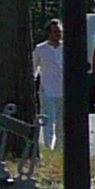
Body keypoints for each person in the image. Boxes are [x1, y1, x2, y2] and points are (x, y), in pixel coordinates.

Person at [32, 19, 71, 157]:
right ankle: (48, 148)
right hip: (47, 89)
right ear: (48, 33)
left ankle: (59, 150)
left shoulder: (67, 48)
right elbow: (34, 68)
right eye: (55, 32)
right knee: (48, 121)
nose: (58, 35)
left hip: (64, 90)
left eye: (60, 32)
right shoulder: (41, 49)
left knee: (62, 122)